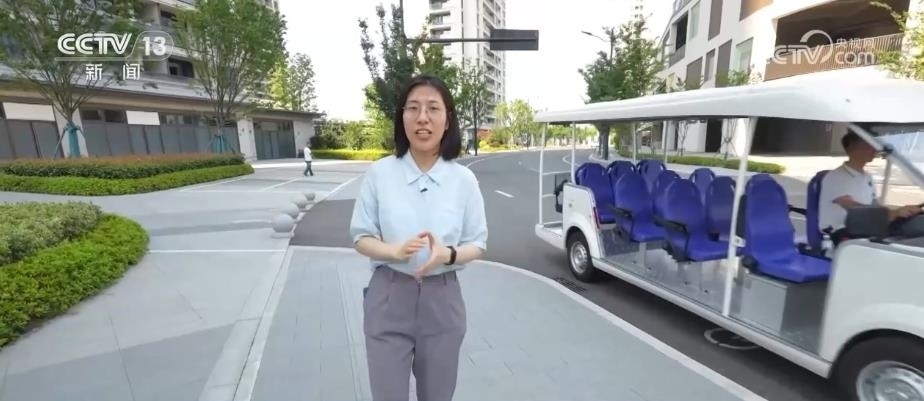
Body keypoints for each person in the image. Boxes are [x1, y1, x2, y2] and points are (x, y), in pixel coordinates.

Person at [348, 74, 488, 401]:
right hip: (388, 295)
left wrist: (448, 255)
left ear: (447, 120)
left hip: (443, 300)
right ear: (402, 118)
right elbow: (361, 236)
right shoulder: (380, 173)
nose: (422, 117)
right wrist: (394, 251)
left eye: (432, 108)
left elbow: (477, 242)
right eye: (413, 108)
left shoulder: (464, 180)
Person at [818, 132, 924, 245]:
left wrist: (902, 212)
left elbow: (874, 205)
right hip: (844, 232)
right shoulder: (836, 177)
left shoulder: (867, 177)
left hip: (866, 225)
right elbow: (852, 208)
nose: (876, 149)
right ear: (854, 147)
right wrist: (892, 214)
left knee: (916, 224)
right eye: (870, 145)